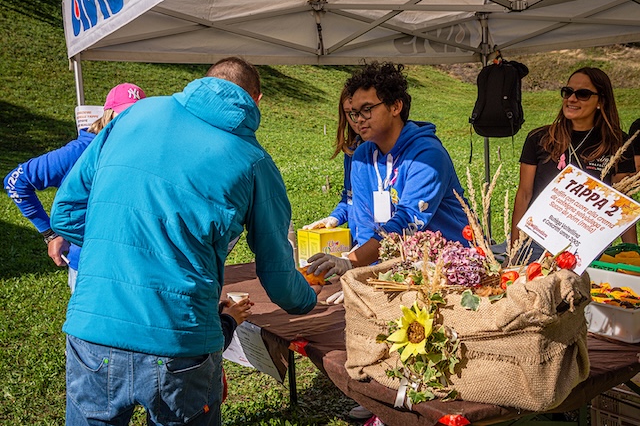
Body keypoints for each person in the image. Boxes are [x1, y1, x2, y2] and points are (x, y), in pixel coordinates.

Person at [50, 57, 317, 426]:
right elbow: (276, 271)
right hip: (180, 342)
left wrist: (124, 248)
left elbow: (65, 213)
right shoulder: (255, 162)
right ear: (257, 101)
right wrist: (308, 302)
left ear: (201, 84)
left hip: (95, 331)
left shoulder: (134, 115)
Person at [307, 62, 469, 278]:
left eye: (367, 109)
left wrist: (351, 262)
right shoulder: (362, 157)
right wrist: (363, 273)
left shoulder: (428, 156)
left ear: (395, 107)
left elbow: (406, 223)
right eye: (354, 113)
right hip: (402, 266)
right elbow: (366, 226)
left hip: (452, 265)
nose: (359, 119)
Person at [3, 83, 146, 292]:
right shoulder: (79, 151)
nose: (129, 123)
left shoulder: (143, 152)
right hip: (89, 266)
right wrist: (50, 234)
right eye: (123, 114)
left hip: (135, 264)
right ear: (108, 114)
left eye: (136, 116)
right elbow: (16, 182)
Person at [510, 67, 637, 261]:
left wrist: (633, 253)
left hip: (590, 246)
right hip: (538, 242)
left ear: (601, 101)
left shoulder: (619, 144)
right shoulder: (539, 138)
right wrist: (514, 250)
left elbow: (622, 205)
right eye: (567, 92)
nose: (571, 99)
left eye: (583, 94)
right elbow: (524, 194)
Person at [302, 86, 363, 244]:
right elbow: (350, 197)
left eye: (361, 111)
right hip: (359, 244)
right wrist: (334, 217)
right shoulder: (351, 150)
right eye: (349, 113)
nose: (357, 119)